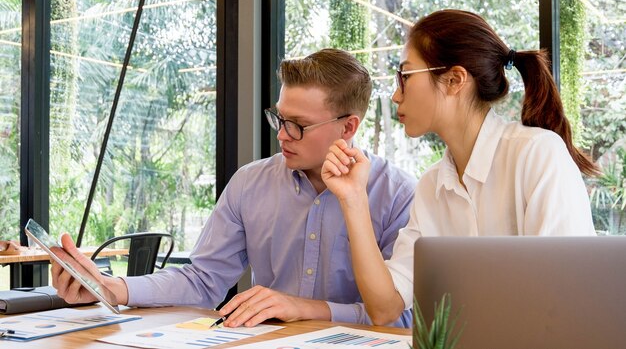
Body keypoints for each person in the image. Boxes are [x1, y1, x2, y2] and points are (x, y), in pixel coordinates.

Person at [52, 48, 417, 327]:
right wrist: (115, 288)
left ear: (348, 127)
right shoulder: (250, 183)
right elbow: (203, 280)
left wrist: (305, 309)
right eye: (279, 118)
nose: (282, 135)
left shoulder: (398, 194)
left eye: (298, 125)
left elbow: (400, 319)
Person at [321, 9, 598, 325]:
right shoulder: (432, 184)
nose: (396, 95)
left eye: (405, 76)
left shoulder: (537, 154)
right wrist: (353, 199)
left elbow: (565, 301)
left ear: (454, 80)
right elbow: (385, 308)